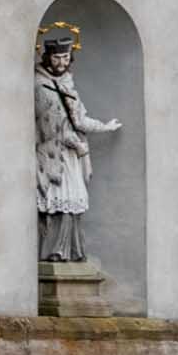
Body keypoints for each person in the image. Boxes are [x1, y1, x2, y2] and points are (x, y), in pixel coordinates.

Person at [34, 25, 121, 263]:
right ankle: (55, 250)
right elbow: (52, 125)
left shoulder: (66, 85)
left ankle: (71, 250)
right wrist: (77, 145)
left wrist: (105, 126)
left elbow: (79, 119)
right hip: (53, 156)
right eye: (56, 57)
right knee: (57, 204)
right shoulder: (40, 86)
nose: (61, 62)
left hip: (71, 155)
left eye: (65, 57)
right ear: (48, 58)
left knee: (73, 204)